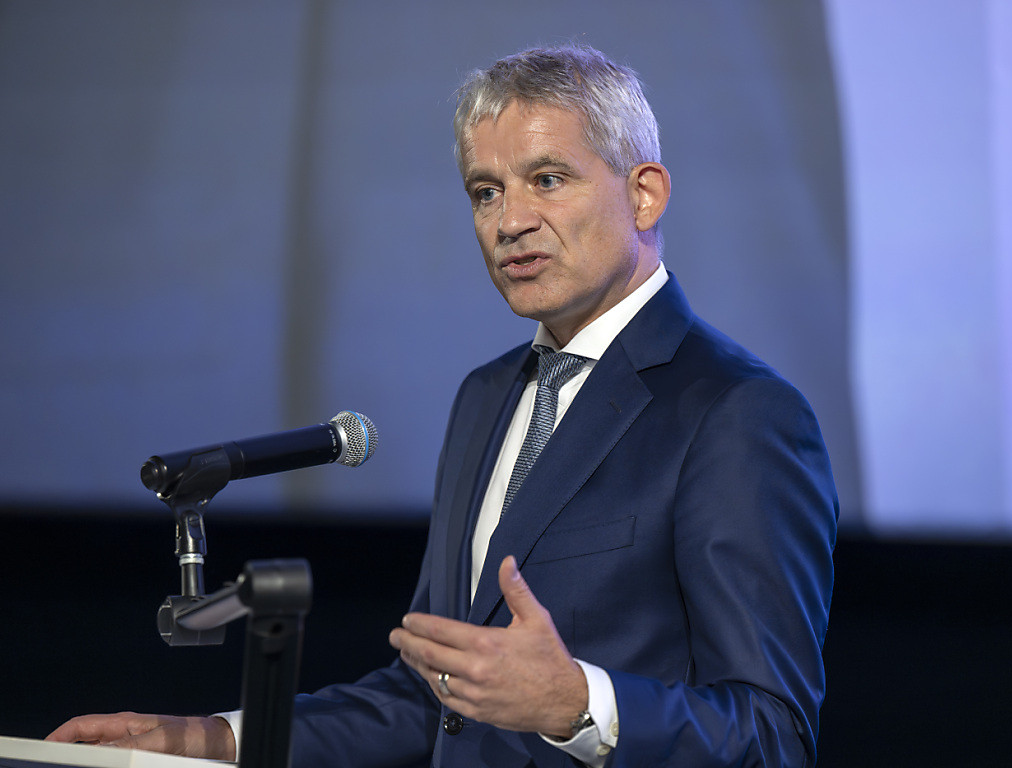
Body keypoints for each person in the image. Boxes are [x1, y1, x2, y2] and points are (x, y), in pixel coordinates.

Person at [48, 44, 838, 767]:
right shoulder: (486, 396)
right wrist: (211, 740)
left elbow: (770, 735)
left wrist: (578, 704)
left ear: (644, 194)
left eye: (548, 179)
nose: (510, 221)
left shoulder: (737, 414)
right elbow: (432, 697)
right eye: (485, 192)